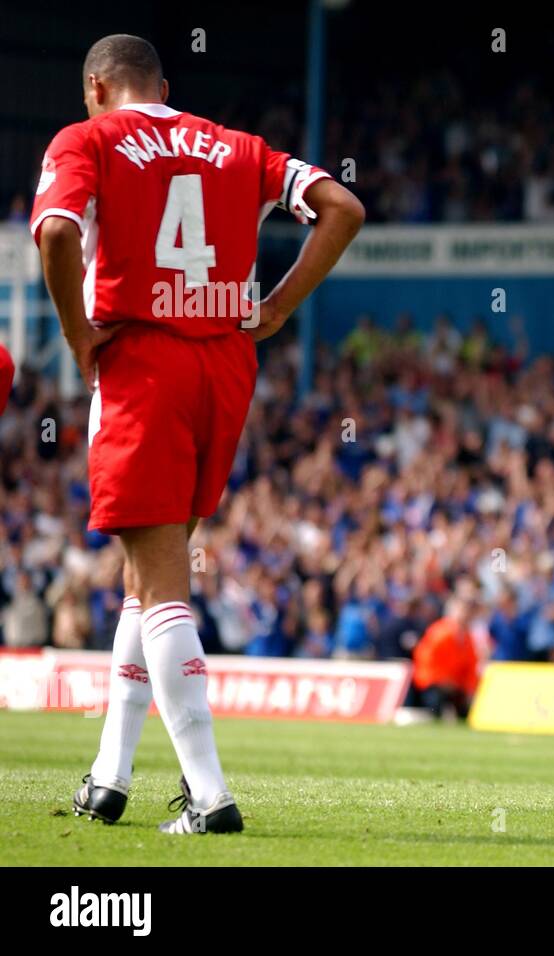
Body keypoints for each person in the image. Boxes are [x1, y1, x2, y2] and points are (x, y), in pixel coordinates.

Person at [32, 34, 364, 834]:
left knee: (162, 585)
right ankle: (109, 778)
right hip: (224, 364)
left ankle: (211, 796)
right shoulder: (236, 146)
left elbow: (54, 233)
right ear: (166, 85)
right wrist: (277, 307)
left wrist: (80, 336)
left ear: (96, 87)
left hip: (144, 357)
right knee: (147, 578)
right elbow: (343, 209)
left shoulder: (90, 138)